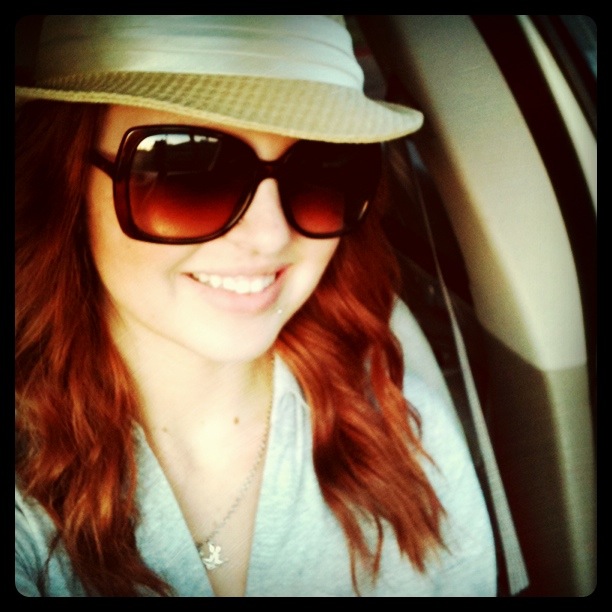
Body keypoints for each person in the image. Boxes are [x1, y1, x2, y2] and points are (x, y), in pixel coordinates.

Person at [15, 15, 497, 597]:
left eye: (320, 168)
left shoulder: (405, 434)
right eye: (188, 170)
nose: (270, 237)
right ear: (66, 184)